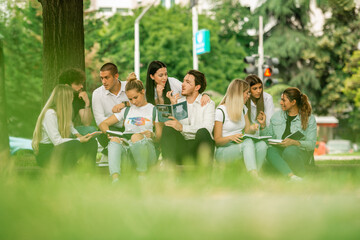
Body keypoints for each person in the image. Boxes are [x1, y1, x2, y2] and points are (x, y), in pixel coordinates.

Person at [99, 73, 162, 182]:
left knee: (136, 137)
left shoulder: (154, 110)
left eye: (135, 97)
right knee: (114, 140)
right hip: (128, 149)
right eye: (130, 99)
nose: (133, 102)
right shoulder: (127, 110)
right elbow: (103, 124)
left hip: (147, 150)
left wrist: (152, 135)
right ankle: (115, 180)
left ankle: (142, 176)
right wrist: (108, 132)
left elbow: (159, 138)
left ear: (143, 92)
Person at [32, 84, 98, 169]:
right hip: (46, 155)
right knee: (75, 144)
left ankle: (88, 173)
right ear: (64, 99)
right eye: (70, 97)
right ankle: (67, 175)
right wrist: (78, 140)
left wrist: (81, 137)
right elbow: (57, 141)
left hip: (59, 150)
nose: (72, 100)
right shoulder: (50, 114)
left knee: (91, 142)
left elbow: (71, 128)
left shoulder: (63, 113)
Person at [259, 87, 317, 181]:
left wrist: (294, 142)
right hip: (280, 150)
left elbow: (311, 144)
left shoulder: (309, 118)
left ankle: (300, 174)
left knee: (290, 151)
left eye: (283, 100)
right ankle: (291, 176)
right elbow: (269, 137)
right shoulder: (277, 116)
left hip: (299, 152)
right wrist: (263, 126)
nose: (281, 102)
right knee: (270, 151)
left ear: (293, 102)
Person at [213, 79, 267, 177]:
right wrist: (230, 137)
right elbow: (217, 140)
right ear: (238, 94)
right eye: (247, 93)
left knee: (262, 145)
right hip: (224, 151)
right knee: (248, 142)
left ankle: (254, 174)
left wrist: (253, 127)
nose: (248, 95)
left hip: (241, 145)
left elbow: (247, 130)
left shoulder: (243, 109)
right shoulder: (220, 111)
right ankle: (254, 176)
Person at [160, 69, 215, 164]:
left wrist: (182, 128)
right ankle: (168, 166)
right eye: (183, 80)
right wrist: (173, 106)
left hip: (200, 147)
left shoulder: (208, 103)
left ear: (197, 87)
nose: (182, 84)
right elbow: (174, 127)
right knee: (167, 129)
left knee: (203, 132)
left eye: (187, 82)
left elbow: (208, 129)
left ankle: (204, 172)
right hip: (182, 146)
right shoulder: (179, 103)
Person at [92, 63, 130, 154]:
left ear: (116, 76)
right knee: (102, 133)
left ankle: (111, 152)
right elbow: (99, 120)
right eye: (101, 78)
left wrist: (125, 104)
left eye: (107, 77)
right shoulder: (97, 94)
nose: (103, 82)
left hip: (131, 126)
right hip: (110, 129)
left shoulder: (129, 87)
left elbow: (140, 103)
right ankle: (115, 150)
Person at [145, 60, 210, 106]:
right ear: (152, 76)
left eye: (166, 74)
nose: (164, 78)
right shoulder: (149, 92)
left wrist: (205, 95)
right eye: (161, 75)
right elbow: (161, 113)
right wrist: (160, 96)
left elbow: (191, 90)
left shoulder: (172, 82)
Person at [58, 68, 96, 135]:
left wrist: (87, 103)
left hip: (70, 130)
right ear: (67, 86)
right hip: (56, 131)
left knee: (91, 130)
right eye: (77, 83)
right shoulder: (56, 97)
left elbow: (87, 123)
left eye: (81, 83)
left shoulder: (79, 98)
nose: (81, 86)